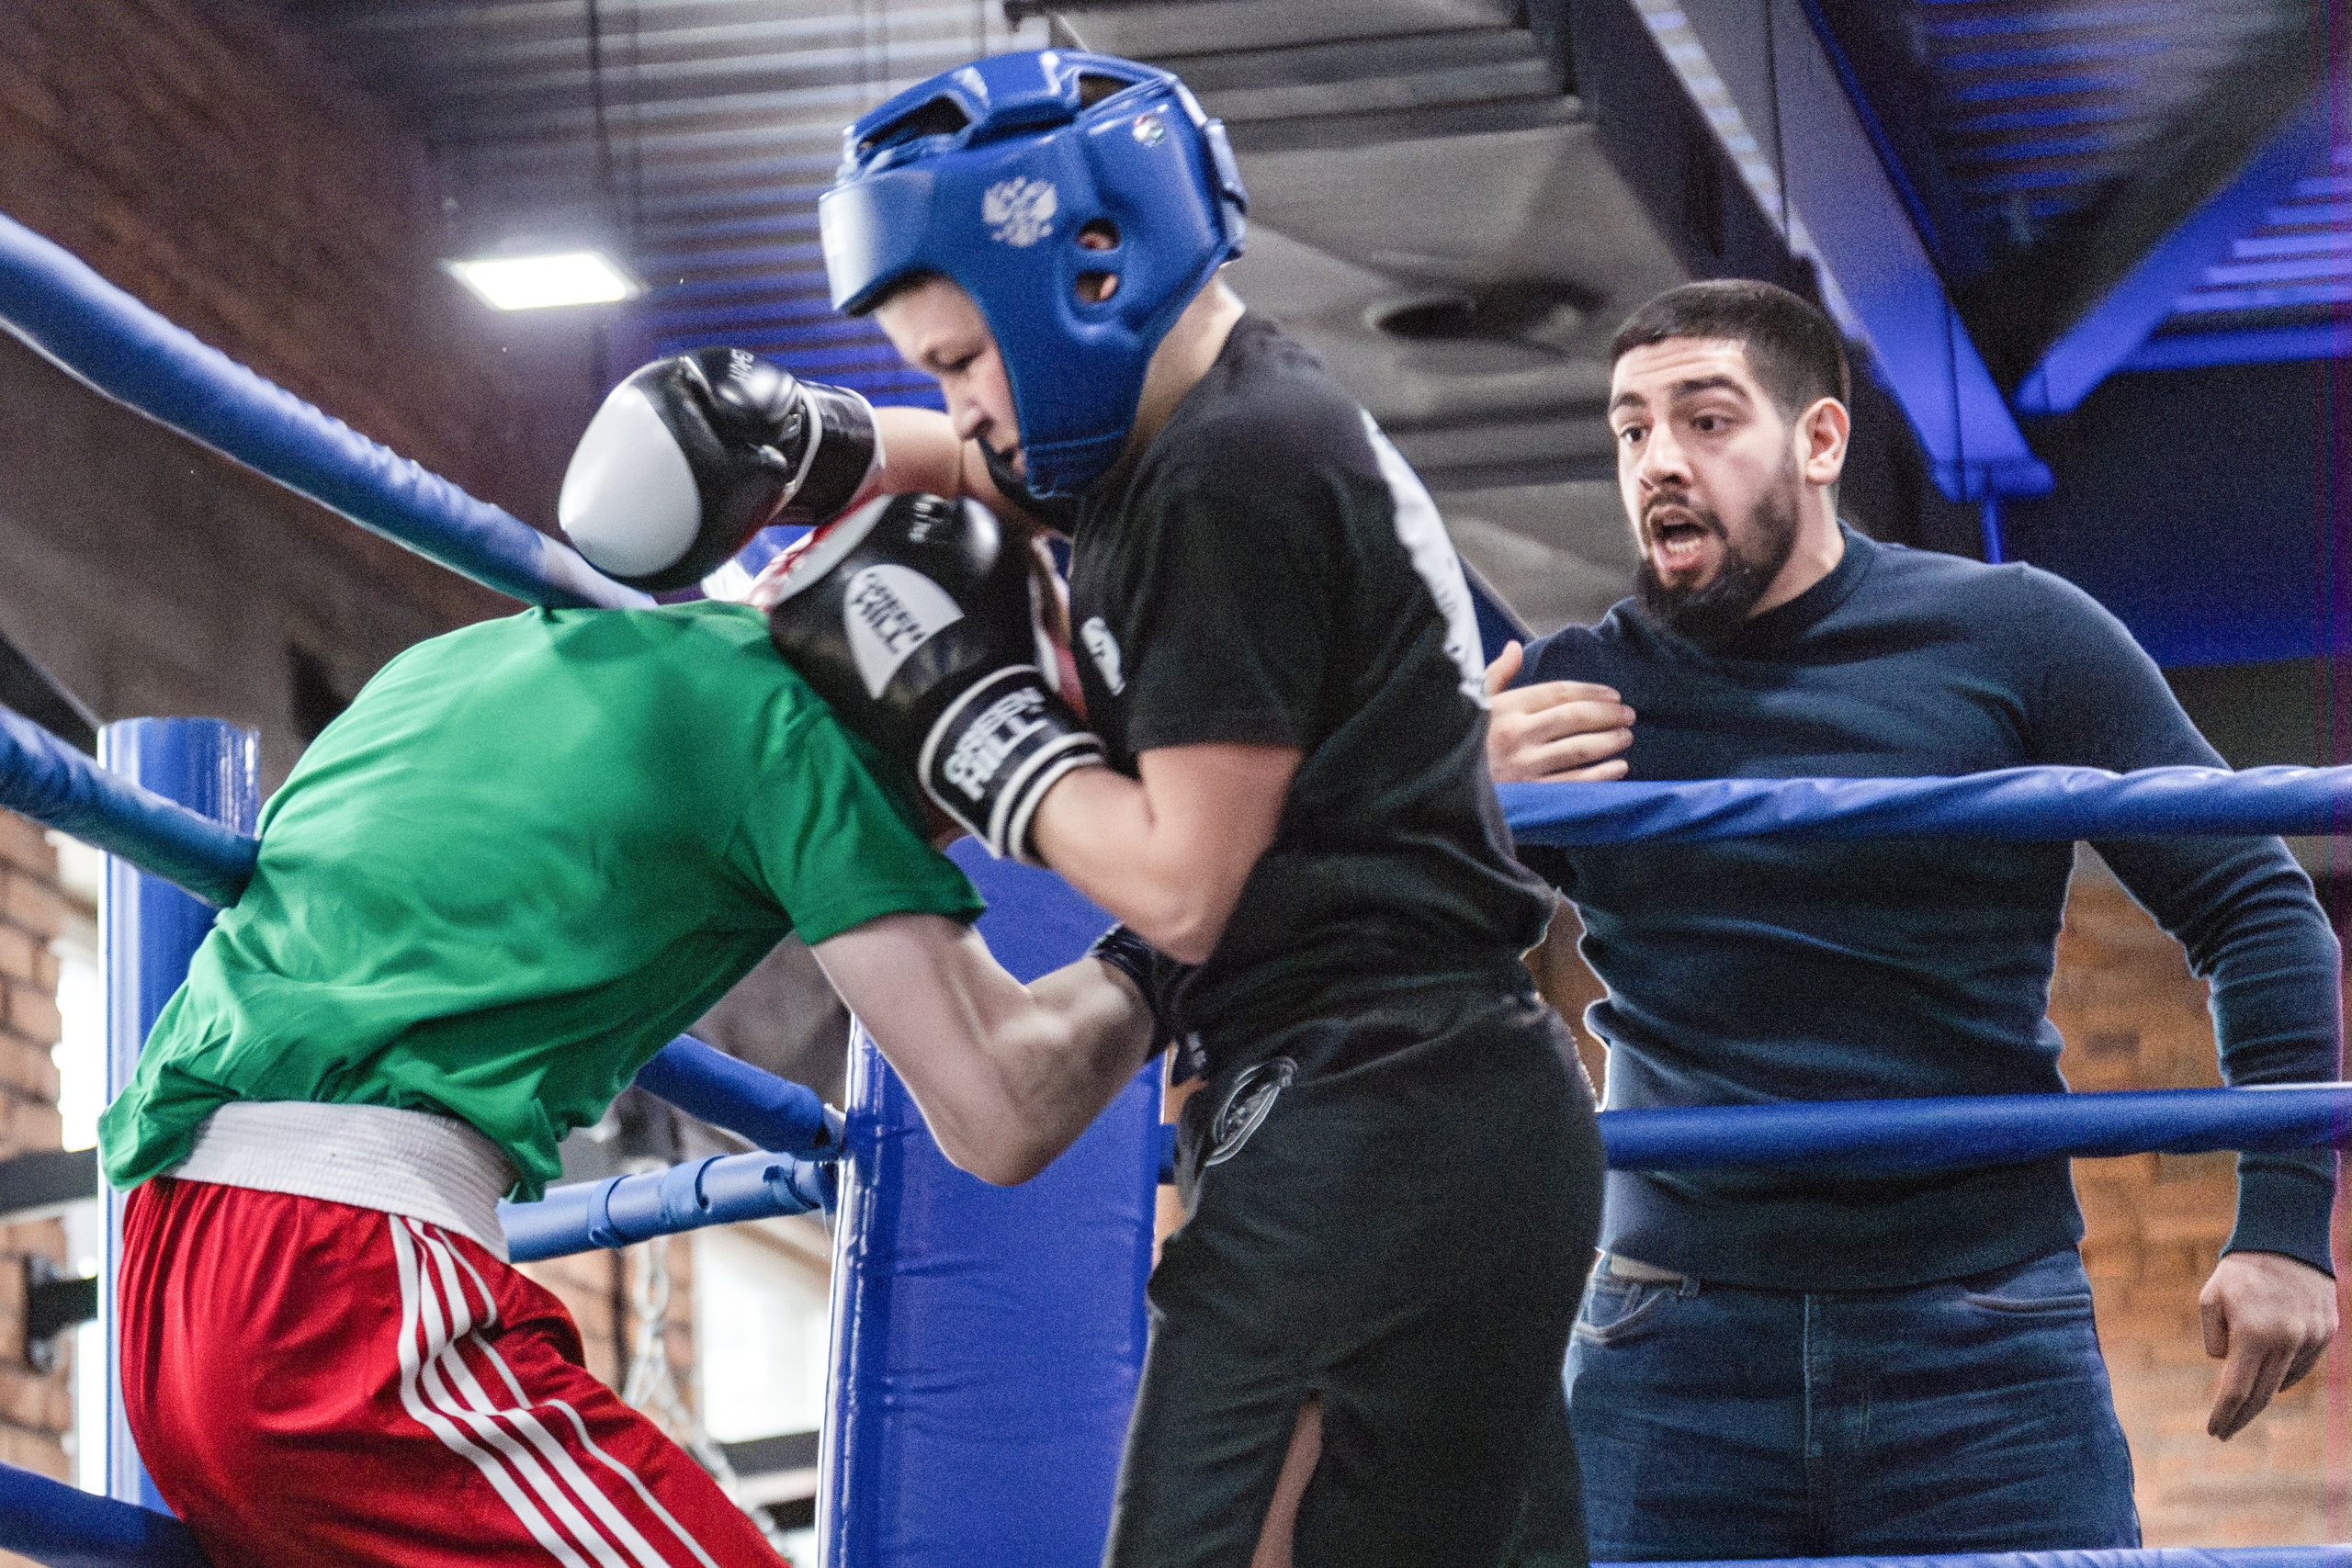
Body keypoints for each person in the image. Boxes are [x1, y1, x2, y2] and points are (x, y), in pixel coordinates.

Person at [561, 47, 1604, 1568]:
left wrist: (963, 715)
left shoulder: (1227, 481)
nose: (958, 406)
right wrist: (794, 442)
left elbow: (1177, 883)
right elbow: (967, 461)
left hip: (1381, 1119)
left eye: (962, 358)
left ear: (1088, 279)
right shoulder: (1178, 433)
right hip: (1419, 1116)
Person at [96, 387, 1159, 1568]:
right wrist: (1175, 947)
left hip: (169, 1282)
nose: (965, 832)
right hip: (339, 1292)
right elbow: (1000, 1110)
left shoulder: (476, 656)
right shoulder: (796, 735)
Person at [1485, 276, 2342, 1560]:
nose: (1660, 459)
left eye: (1706, 419)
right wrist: (1448, 790)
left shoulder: (2015, 636)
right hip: (1671, 1334)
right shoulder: (1576, 695)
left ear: (1820, 441)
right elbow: (1393, 942)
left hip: (1982, 1334)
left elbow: (2259, 905)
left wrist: (2283, 1221)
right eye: (1632, 429)